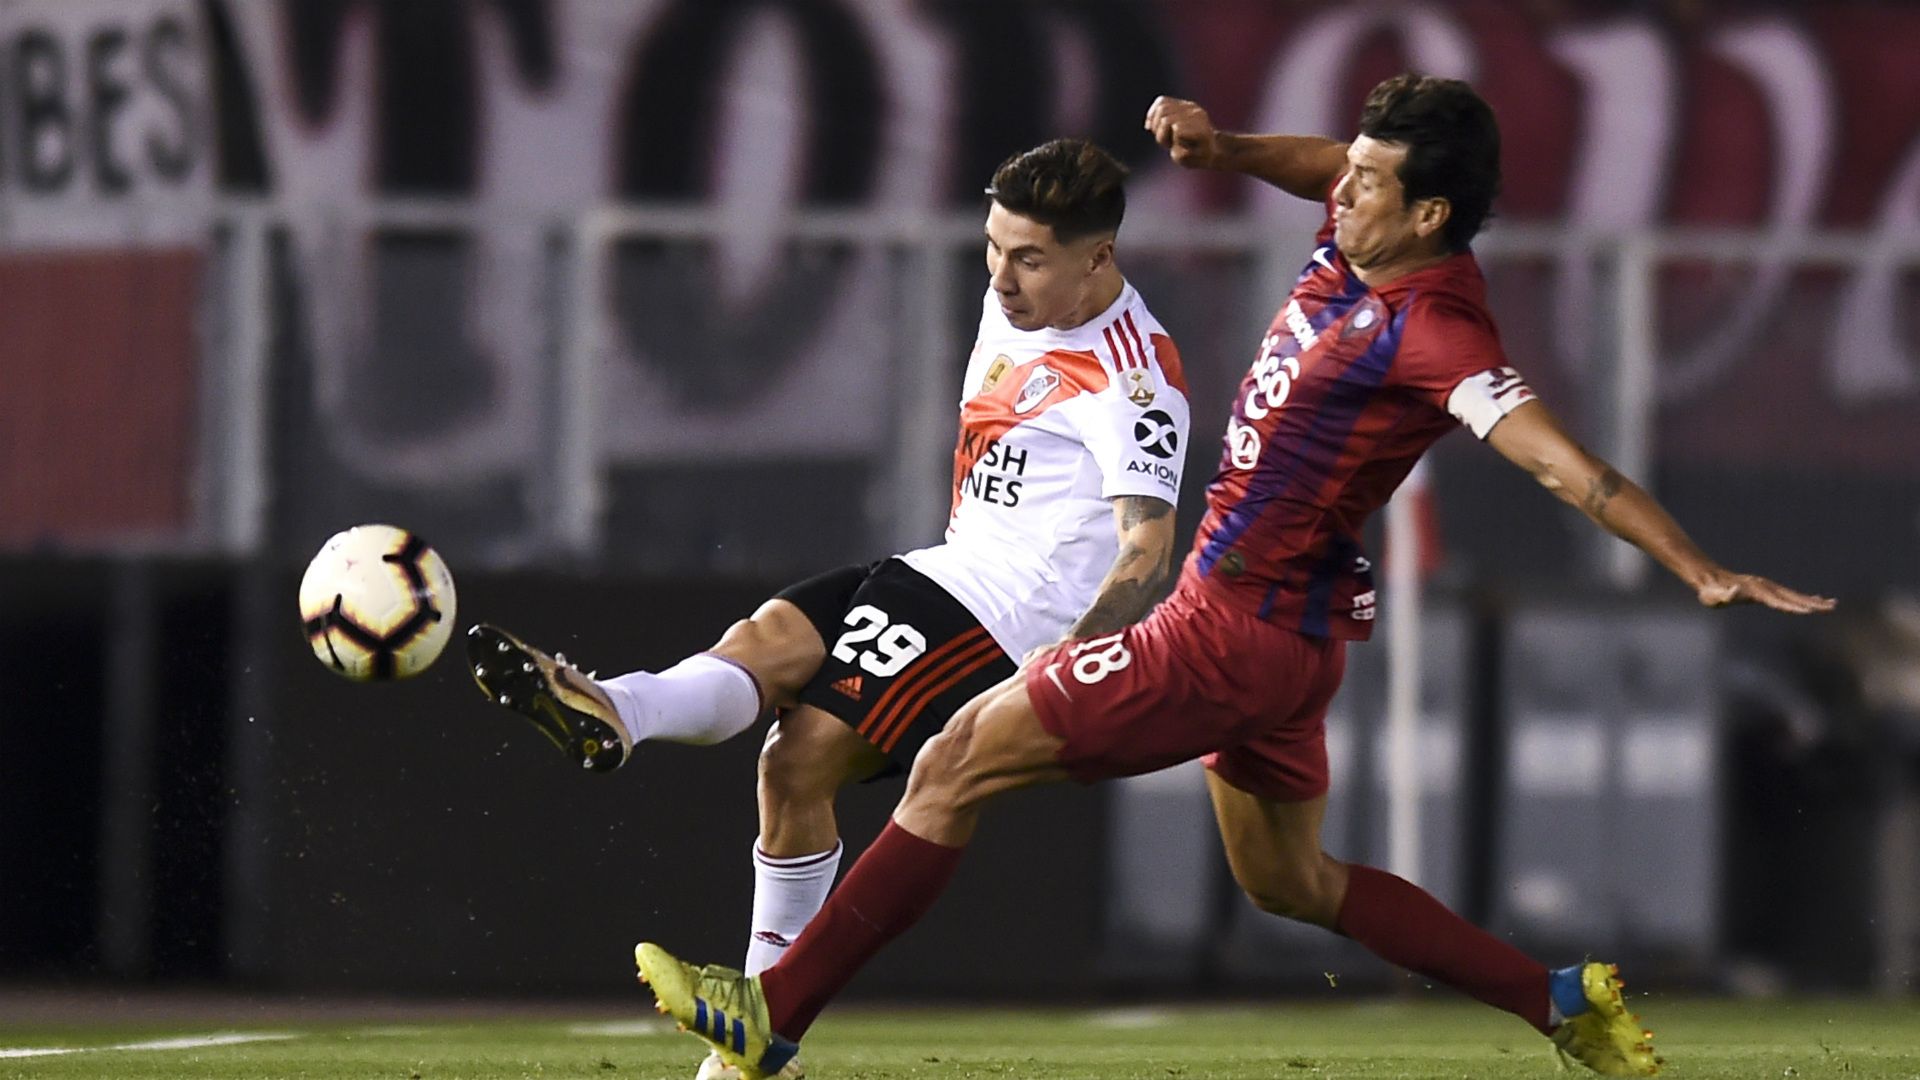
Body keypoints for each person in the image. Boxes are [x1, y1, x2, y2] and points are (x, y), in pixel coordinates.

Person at [633, 75, 1836, 1080]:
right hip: (1291, 644)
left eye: (1368, 182)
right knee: (1291, 882)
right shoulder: (1356, 237)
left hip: (1227, 630)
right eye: (1348, 171)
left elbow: (1565, 468)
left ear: (1430, 216)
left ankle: (772, 1017)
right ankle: (1561, 1001)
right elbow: (1318, 162)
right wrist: (1224, 147)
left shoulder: (1438, 332)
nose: (1340, 187)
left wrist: (1699, 567)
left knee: (950, 765)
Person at [467, 138, 1192, 1079]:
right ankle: (619, 711)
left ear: (1098, 258)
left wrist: (1076, 663)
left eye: (1029, 258)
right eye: (992, 247)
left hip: (1012, 618)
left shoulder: (1136, 381)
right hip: (945, 566)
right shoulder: (1014, 302)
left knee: (799, 757)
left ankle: (756, 1040)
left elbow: (1147, 545)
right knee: (762, 646)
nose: (1001, 278)